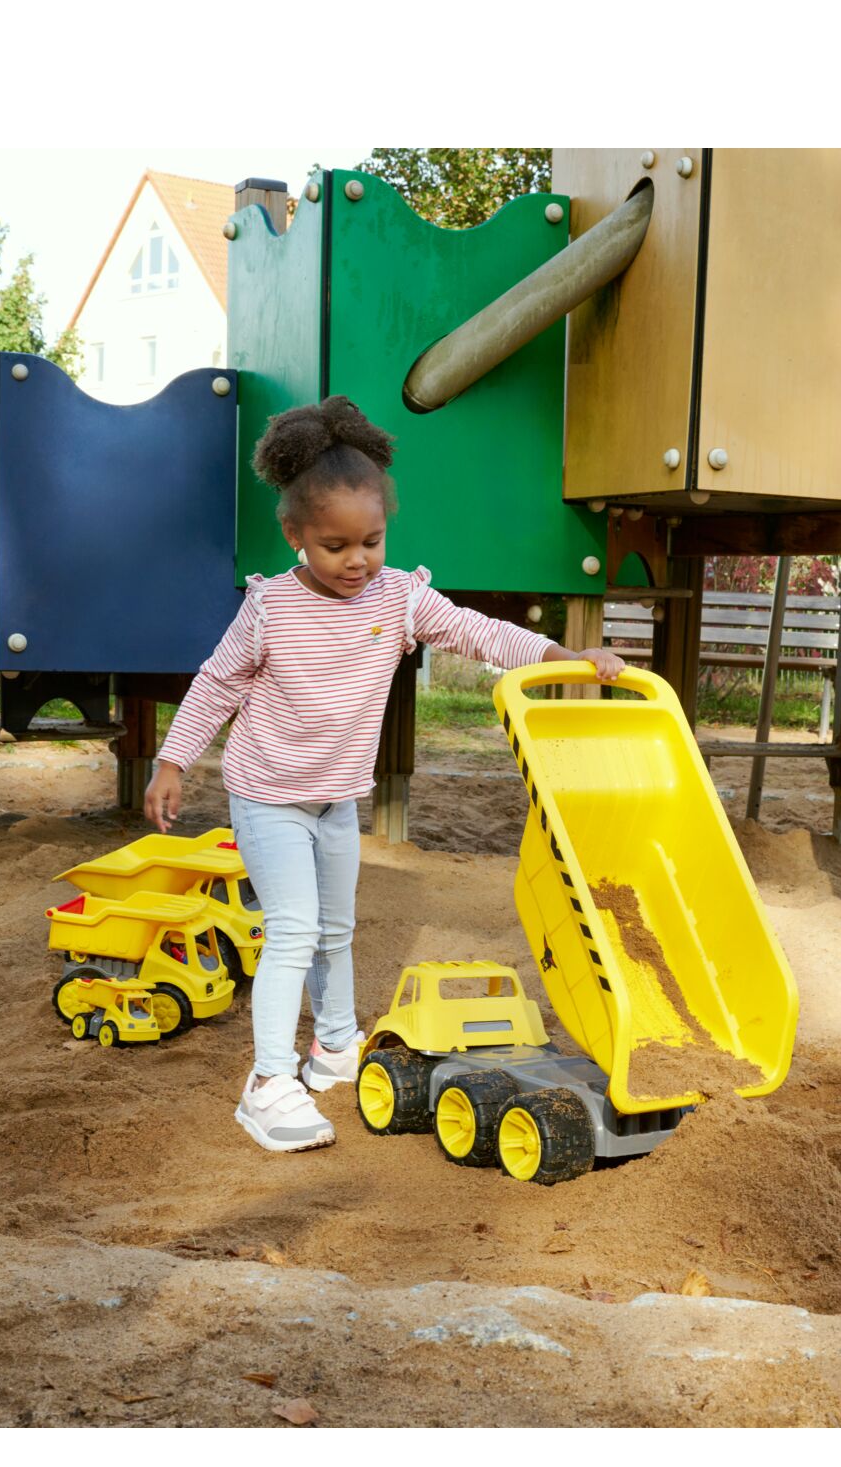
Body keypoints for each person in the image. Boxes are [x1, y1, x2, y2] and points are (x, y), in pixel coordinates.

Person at [144, 396, 624, 1155]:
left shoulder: (398, 597)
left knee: (336, 929)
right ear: (295, 534)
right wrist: (172, 759)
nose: (356, 561)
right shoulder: (271, 609)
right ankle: (268, 1083)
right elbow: (216, 685)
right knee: (295, 929)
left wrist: (562, 657)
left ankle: (335, 1045)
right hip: (268, 796)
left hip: (336, 800)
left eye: (371, 541)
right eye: (334, 545)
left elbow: (475, 632)